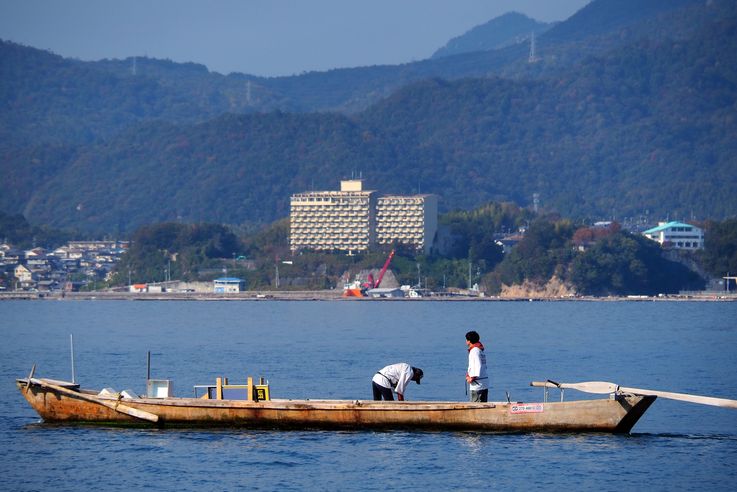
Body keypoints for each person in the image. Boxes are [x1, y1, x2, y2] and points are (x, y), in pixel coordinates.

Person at [465, 330, 489, 402]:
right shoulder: (480, 350)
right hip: (484, 381)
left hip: (477, 383)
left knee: (475, 406)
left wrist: (472, 378)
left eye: (466, 340)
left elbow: (477, 365)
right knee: (483, 405)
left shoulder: (474, 351)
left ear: (469, 341)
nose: (465, 341)